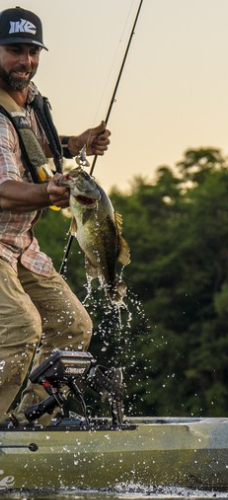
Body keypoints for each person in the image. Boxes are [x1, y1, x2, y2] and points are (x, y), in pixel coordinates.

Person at [0, 6, 111, 426]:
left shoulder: (26, 100)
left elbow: (34, 148)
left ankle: (32, 420)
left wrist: (76, 141)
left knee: (73, 324)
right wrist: (47, 192)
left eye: (33, 51)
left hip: (19, 245)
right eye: (14, 50)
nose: (25, 61)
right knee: (23, 327)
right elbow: (5, 192)